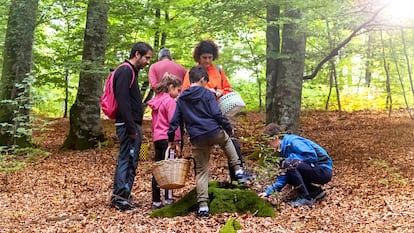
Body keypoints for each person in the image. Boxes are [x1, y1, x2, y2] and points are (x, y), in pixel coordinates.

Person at [168, 66, 253, 218]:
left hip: (197, 137)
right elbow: (216, 113)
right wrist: (228, 127)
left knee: (201, 171)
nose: (206, 84)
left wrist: (171, 139)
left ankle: (203, 207)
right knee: (227, 141)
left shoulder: (181, 98)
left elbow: (175, 121)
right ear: (201, 79)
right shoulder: (207, 93)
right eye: (206, 81)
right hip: (213, 131)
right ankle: (238, 170)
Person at [182, 40, 245, 182]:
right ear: (199, 57)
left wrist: (221, 91)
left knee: (232, 144)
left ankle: (237, 178)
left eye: (210, 57)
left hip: (219, 114)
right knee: (201, 154)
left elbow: (228, 88)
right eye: (204, 57)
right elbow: (186, 93)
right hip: (201, 118)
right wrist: (204, 91)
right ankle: (202, 185)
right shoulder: (192, 73)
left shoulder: (218, 71)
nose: (207, 61)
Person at [110, 42, 153, 211]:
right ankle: (120, 197)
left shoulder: (130, 72)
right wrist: (131, 128)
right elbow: (122, 101)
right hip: (128, 125)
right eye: (146, 57)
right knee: (127, 159)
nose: (147, 62)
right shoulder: (125, 71)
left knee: (131, 160)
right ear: (137, 54)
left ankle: (123, 195)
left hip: (132, 124)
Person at [258, 123, 333, 207]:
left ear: (275, 138)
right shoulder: (284, 149)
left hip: (323, 170)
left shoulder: (293, 141)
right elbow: (284, 175)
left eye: (269, 143)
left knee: (289, 164)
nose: (269, 146)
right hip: (313, 169)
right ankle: (315, 192)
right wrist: (268, 192)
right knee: (289, 171)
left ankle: (306, 198)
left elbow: (311, 156)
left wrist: (290, 159)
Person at [147, 73, 182, 210]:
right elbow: (174, 123)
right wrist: (176, 141)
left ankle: (156, 200)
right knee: (168, 170)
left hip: (157, 138)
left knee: (158, 169)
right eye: (177, 90)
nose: (178, 93)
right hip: (168, 139)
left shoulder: (157, 101)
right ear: (171, 87)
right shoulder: (170, 102)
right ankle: (168, 198)